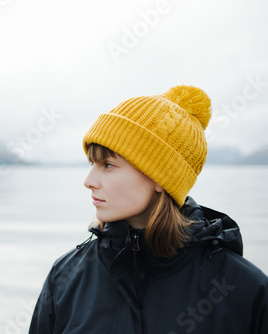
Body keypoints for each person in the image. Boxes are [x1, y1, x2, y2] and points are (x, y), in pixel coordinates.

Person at [28, 85, 268, 333]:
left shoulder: (243, 290)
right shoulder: (65, 276)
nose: (88, 181)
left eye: (108, 165)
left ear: (160, 179)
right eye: (92, 163)